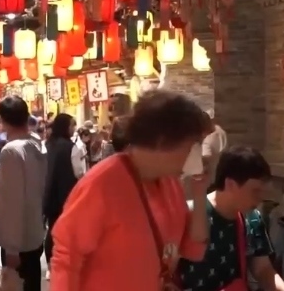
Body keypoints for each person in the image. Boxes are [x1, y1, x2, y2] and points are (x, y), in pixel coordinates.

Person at [50, 89, 211, 290]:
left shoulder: (170, 182)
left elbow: (193, 249)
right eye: (192, 146)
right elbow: (66, 260)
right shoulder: (102, 183)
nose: (196, 155)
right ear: (163, 142)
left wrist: (199, 192)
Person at [178, 146, 284, 291]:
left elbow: (263, 270)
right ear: (230, 184)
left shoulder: (252, 219)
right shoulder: (192, 214)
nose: (260, 198)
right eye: (255, 191)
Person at [0, 96, 48, 291]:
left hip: (18, 241)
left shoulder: (11, 151)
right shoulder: (36, 144)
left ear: (4, 120)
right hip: (34, 232)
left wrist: (12, 248)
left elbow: (12, 202)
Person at [43, 114, 80, 275]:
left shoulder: (48, 145)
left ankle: (50, 265)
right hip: (67, 194)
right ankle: (63, 264)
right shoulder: (71, 147)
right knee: (66, 230)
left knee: (52, 229)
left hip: (50, 193)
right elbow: (79, 172)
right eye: (72, 125)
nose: (73, 129)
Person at [201, 109, 228, 187]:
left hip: (210, 182)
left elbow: (205, 158)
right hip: (221, 177)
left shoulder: (206, 141)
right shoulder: (220, 131)